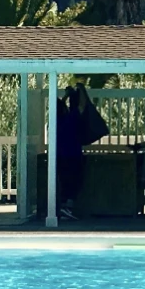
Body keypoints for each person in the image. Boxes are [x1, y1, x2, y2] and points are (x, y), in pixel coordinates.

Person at [56, 90, 85, 220]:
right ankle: (67, 208)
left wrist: (66, 96)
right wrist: (81, 90)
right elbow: (82, 106)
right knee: (75, 182)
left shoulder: (57, 121)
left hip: (61, 156)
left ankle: (64, 208)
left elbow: (59, 105)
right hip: (73, 155)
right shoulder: (71, 118)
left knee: (64, 182)